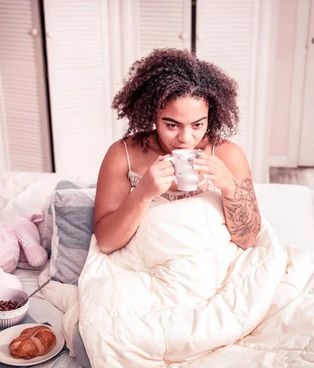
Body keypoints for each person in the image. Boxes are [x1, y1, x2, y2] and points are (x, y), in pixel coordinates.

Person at [93, 48, 261, 255]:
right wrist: (142, 194)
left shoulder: (228, 154)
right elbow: (106, 243)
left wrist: (229, 187)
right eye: (172, 125)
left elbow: (248, 240)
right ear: (153, 114)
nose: (185, 138)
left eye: (197, 125)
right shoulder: (123, 155)